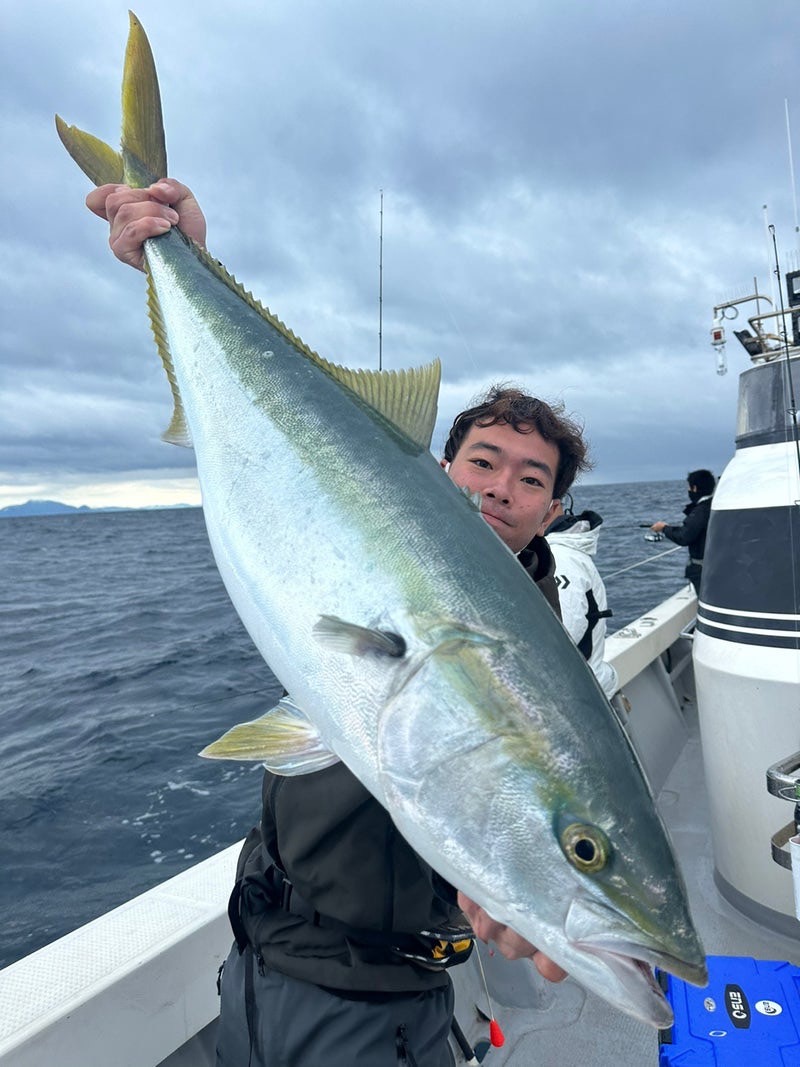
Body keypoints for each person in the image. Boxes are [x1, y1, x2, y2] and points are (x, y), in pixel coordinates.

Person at [86, 178, 587, 1066]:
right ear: (441, 469)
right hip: (259, 954)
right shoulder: (360, 549)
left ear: (550, 515)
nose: (500, 487)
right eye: (482, 460)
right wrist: (182, 259)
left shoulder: (543, 662)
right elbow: (271, 428)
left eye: (532, 479)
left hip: (380, 1002)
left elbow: (498, 757)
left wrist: (515, 886)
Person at [545, 498, 618, 699]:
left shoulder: (558, 558)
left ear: (553, 506)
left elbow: (561, 639)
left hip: (580, 698)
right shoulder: (555, 554)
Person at [650, 469, 716, 596]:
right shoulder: (715, 506)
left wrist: (664, 528)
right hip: (715, 566)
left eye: (689, 488)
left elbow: (684, 537)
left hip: (704, 571)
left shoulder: (700, 512)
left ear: (695, 488)